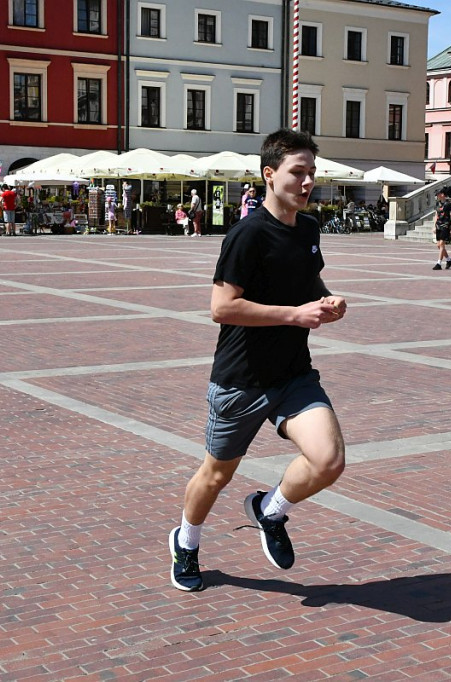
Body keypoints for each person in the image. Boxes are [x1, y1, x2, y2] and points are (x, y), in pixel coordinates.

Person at [169, 128, 348, 593]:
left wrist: (327, 300)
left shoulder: (308, 229)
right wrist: (295, 314)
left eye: (312, 173)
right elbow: (222, 308)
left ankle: (270, 510)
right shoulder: (246, 235)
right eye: (297, 173)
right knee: (217, 474)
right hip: (241, 380)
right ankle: (186, 541)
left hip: (292, 375)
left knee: (328, 461)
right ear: (270, 175)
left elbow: (308, 285)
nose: (308, 182)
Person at [432, 188, 451, 270]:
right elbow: (436, 215)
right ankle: (449, 260)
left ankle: (439, 263)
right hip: (438, 225)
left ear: (443, 194)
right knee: (439, 245)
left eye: (438, 194)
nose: (437, 195)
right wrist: (434, 226)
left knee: (441, 244)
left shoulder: (448, 204)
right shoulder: (437, 204)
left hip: (445, 225)